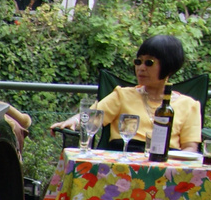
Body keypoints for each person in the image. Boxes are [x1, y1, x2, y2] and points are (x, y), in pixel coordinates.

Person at [51, 33, 202, 151]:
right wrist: (74, 121)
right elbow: (91, 117)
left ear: (169, 66)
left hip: (165, 168)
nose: (141, 68)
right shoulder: (122, 95)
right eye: (138, 61)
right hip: (120, 166)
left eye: (149, 62)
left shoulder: (189, 105)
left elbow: (190, 148)